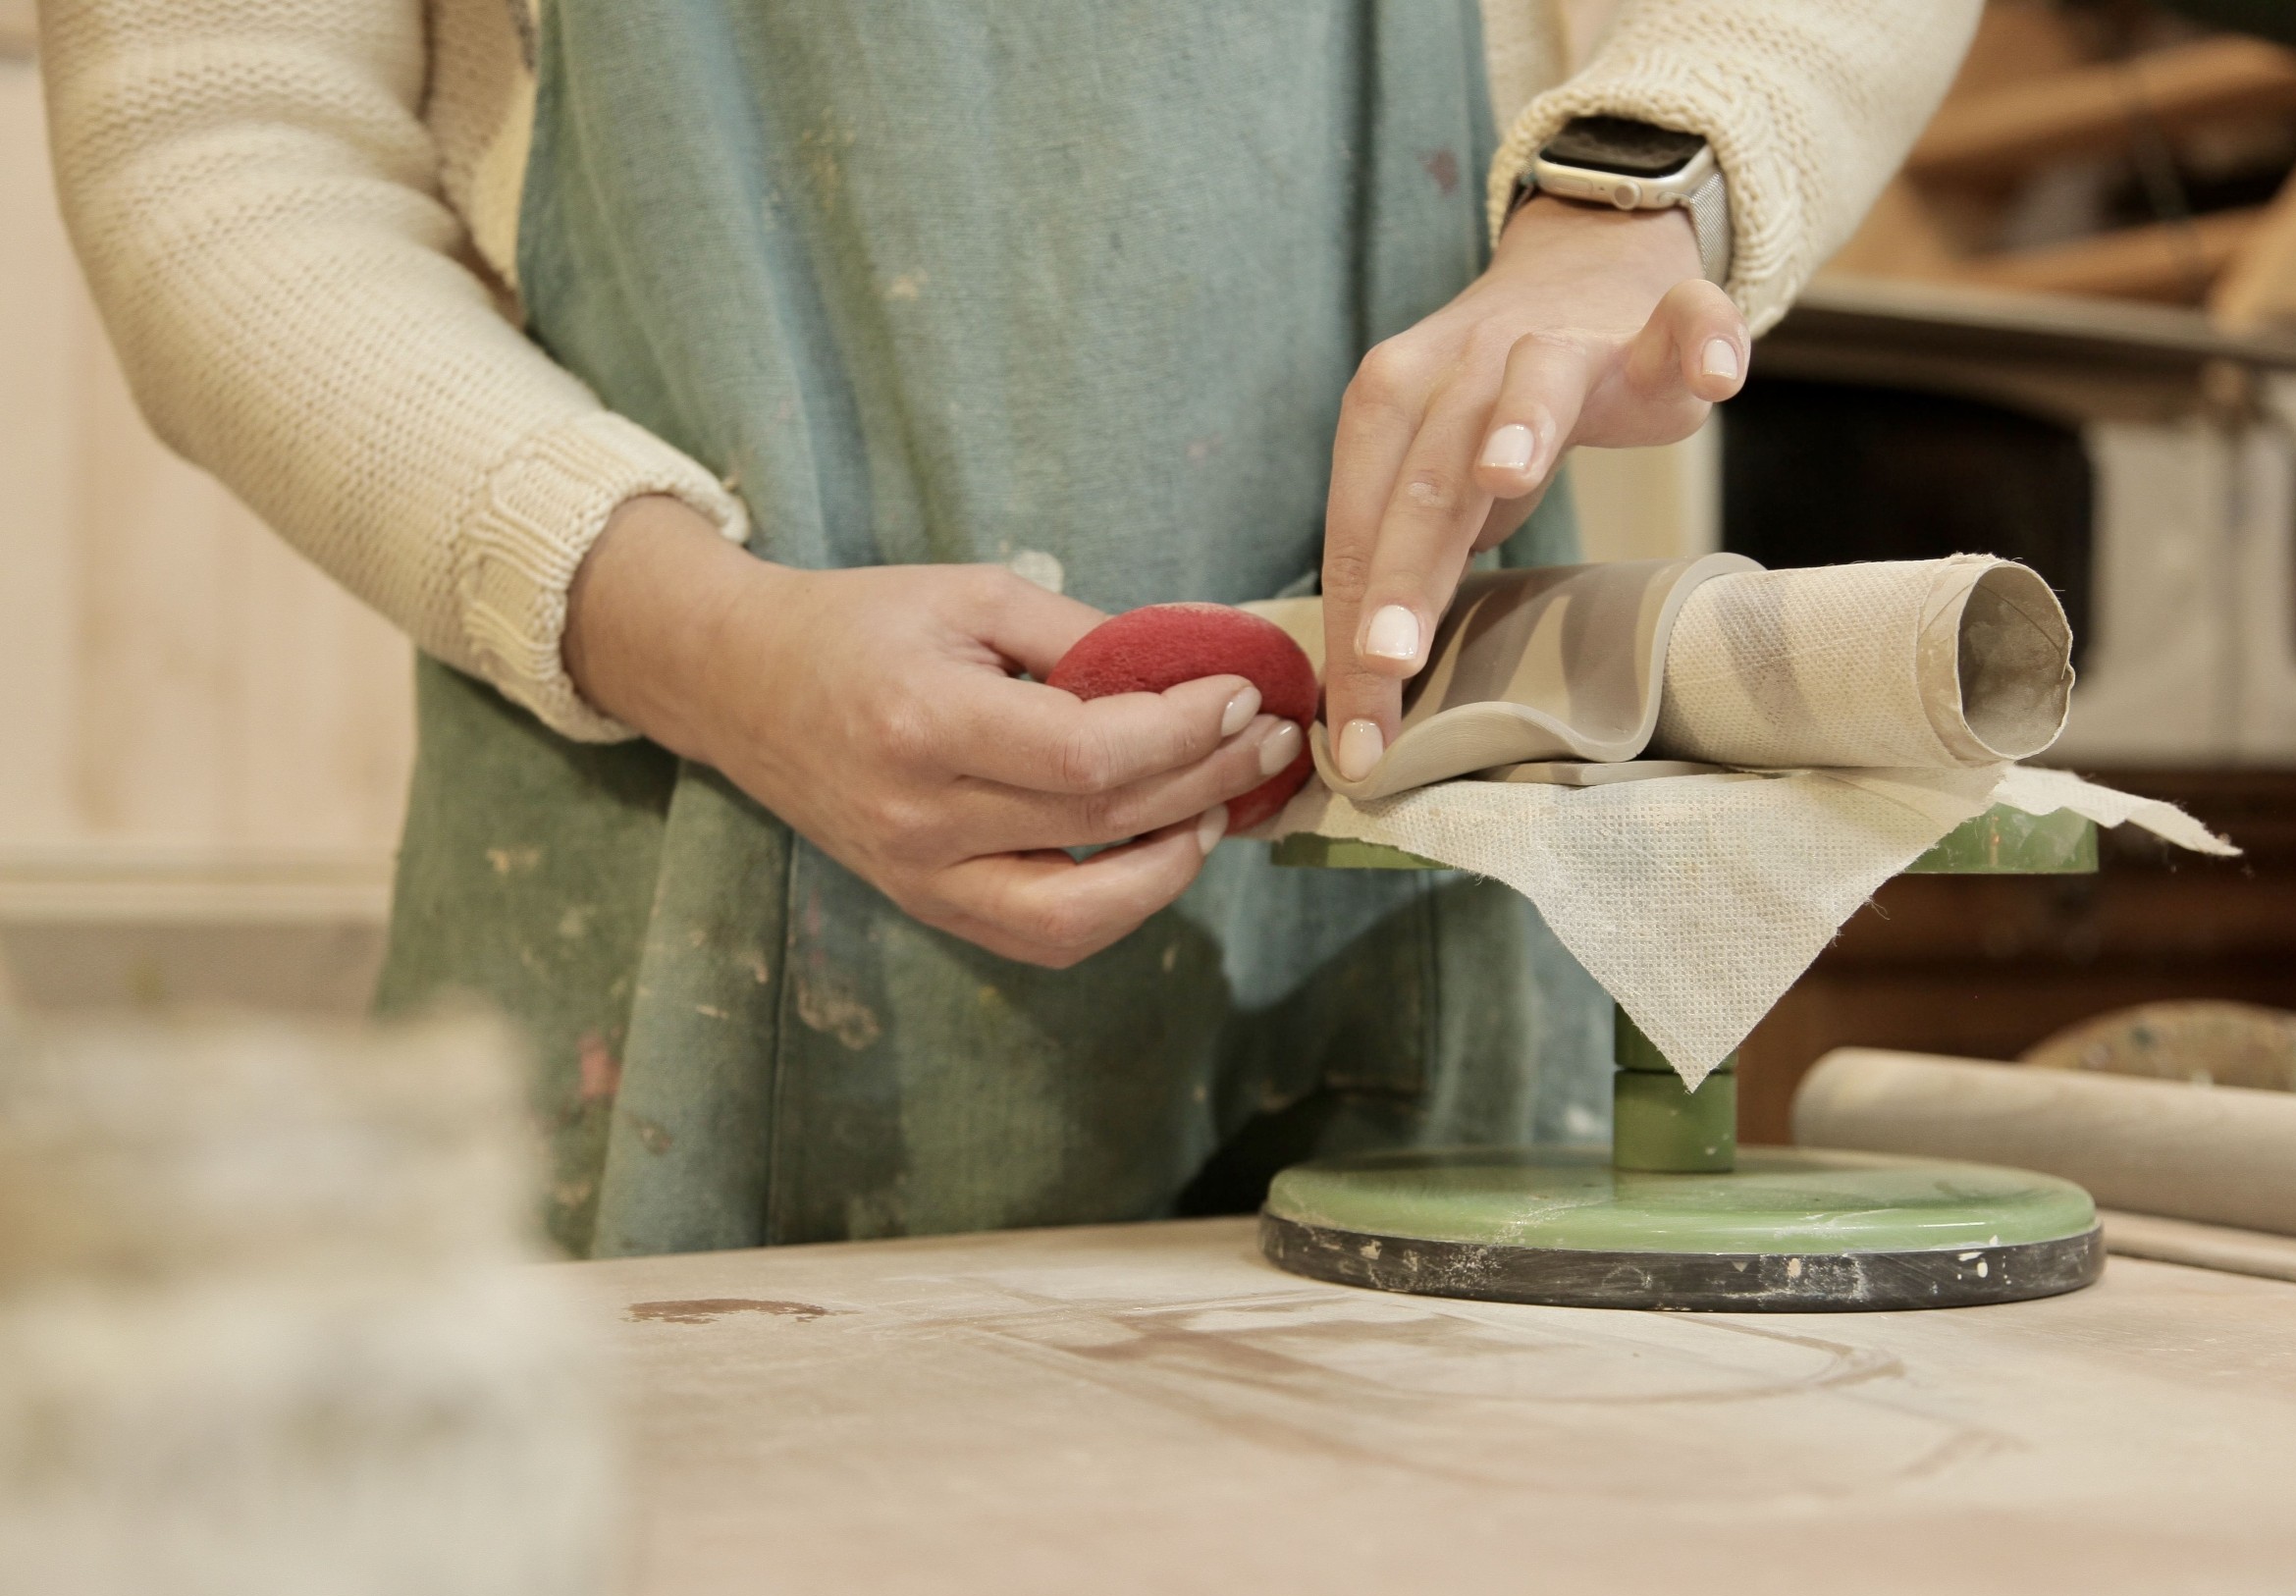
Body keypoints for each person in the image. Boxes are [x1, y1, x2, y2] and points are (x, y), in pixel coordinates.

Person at [42, 0, 1978, 1256]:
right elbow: (217, 137)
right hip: (663, 932)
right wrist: (699, 639)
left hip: (1395, 953)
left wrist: (1637, 184)